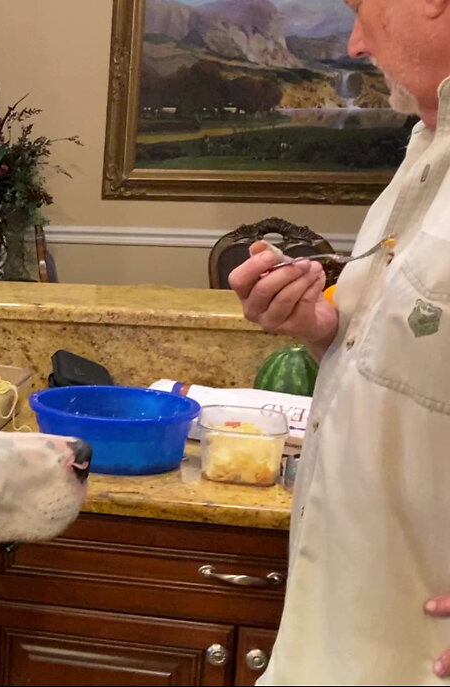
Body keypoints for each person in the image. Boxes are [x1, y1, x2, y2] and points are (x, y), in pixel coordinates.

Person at [227, 0, 450, 683]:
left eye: (360, 8)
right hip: (334, 641)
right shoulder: (425, 153)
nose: (354, 43)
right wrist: (321, 329)